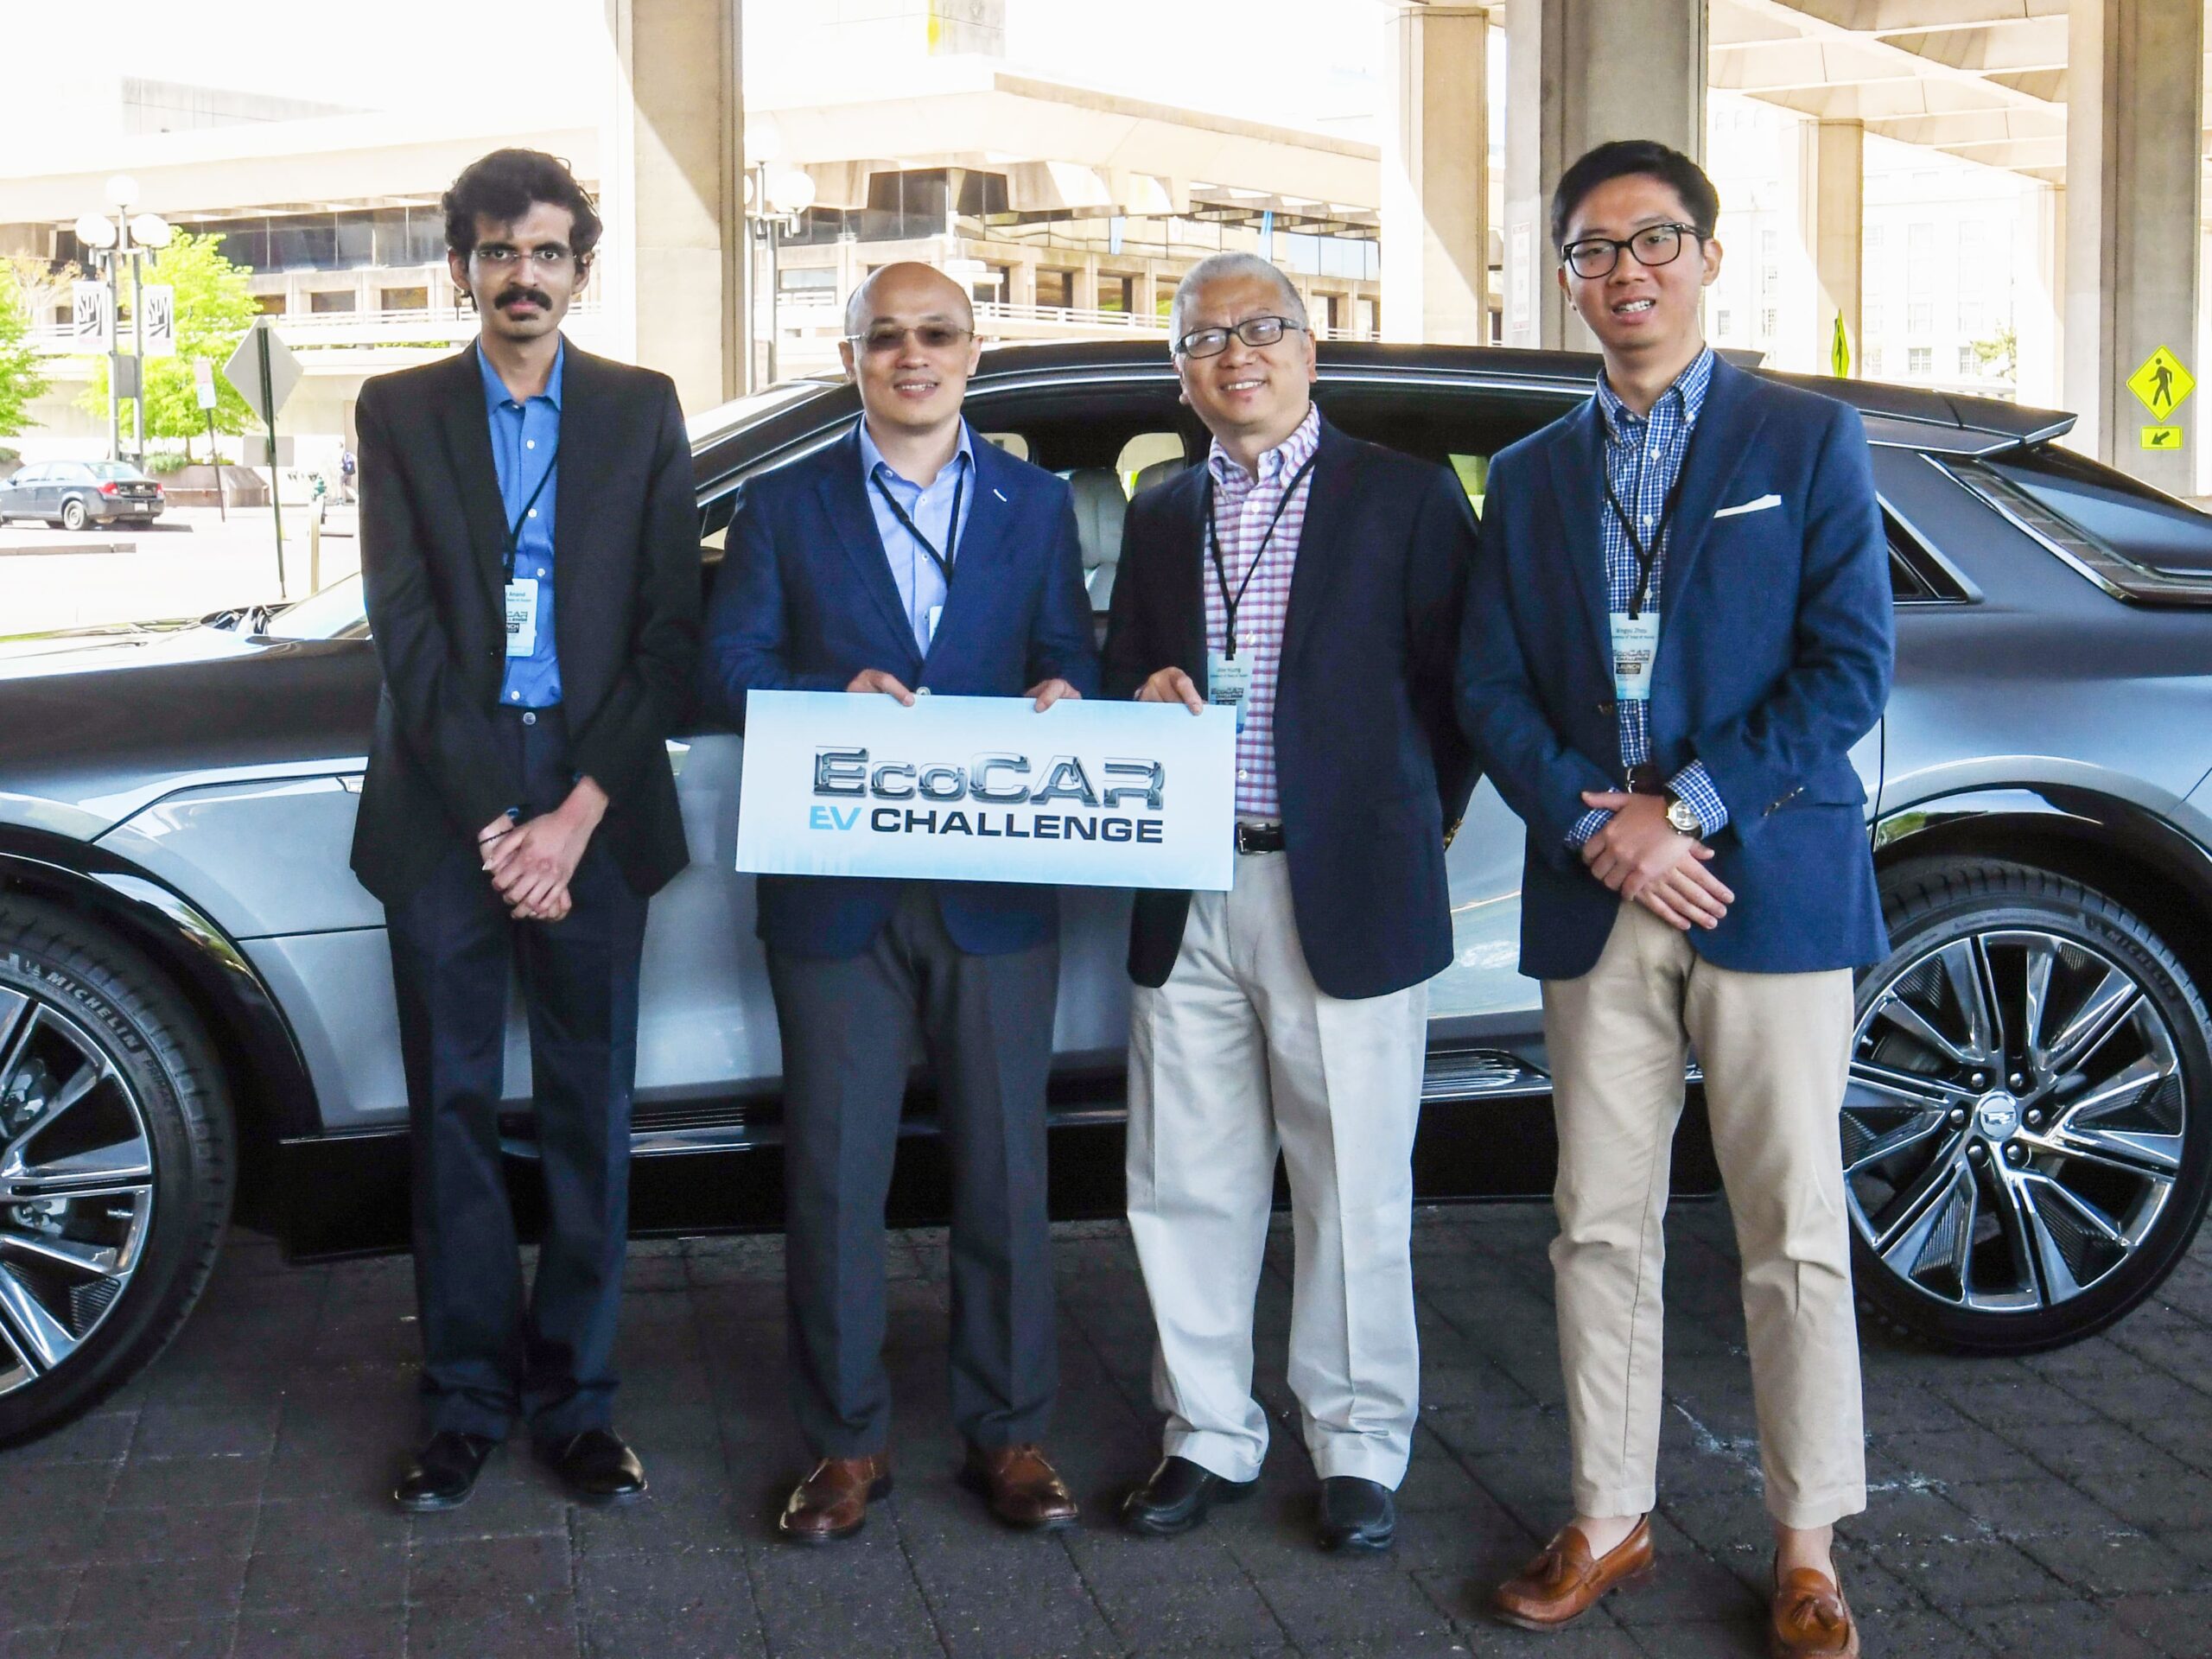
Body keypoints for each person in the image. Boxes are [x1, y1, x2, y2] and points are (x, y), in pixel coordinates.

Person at [1459, 140, 1892, 1656]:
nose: (1624, 271)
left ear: (1707, 257)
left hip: (1761, 879)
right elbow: (1488, 681)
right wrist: (1603, 826)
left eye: (1653, 241)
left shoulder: (1807, 439)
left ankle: (1807, 1544)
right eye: (1592, 250)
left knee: (1792, 1224)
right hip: (1601, 889)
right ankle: (1610, 1515)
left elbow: (1850, 668)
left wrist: (1685, 810)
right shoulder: (1524, 479)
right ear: (1567, 278)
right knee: (1599, 1224)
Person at [699, 262, 1098, 1543]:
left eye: (936, 335)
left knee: (1003, 1171)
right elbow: (732, 668)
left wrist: (1062, 696)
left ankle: (1011, 1430)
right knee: (832, 1173)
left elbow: (1066, 655)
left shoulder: (1035, 505)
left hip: (995, 887)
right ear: (852, 358)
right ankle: (845, 1443)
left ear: (974, 352)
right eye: (886, 339)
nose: (911, 356)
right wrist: (826, 697)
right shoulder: (781, 503)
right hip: (837, 892)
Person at [1101, 251, 1478, 1554]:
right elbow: (1120, 676)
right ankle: (1204, 1429)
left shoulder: (1406, 499)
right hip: (1190, 882)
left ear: (1311, 350)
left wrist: (1412, 819)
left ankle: (1360, 1445)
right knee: (1184, 1178)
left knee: (1354, 1182)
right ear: (1181, 373)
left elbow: (1461, 690)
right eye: (1205, 340)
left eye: (1262, 330)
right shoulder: (1161, 506)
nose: (1235, 356)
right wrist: (1134, 693)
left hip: (1345, 885)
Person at [350, 148, 701, 1514]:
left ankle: (580, 1404)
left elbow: (671, 630)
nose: (522, 275)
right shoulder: (397, 408)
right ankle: (462, 1404)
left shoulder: (640, 408)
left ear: (581, 270)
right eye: (496, 251)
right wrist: (506, 820)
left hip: (597, 796)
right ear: (460, 268)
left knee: (586, 1110)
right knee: (447, 1113)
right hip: (450, 803)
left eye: (547, 251)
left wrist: (574, 815)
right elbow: (407, 629)